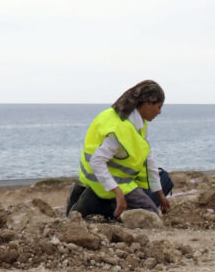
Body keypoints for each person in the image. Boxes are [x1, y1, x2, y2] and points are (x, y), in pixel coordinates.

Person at [71, 80, 172, 221]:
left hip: (118, 180)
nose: (159, 112)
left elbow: (149, 160)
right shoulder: (120, 128)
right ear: (148, 103)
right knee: (151, 215)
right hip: (107, 183)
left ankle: (92, 199)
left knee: (164, 179)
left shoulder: (139, 123)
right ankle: (95, 204)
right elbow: (96, 161)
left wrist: (160, 195)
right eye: (159, 107)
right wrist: (118, 192)